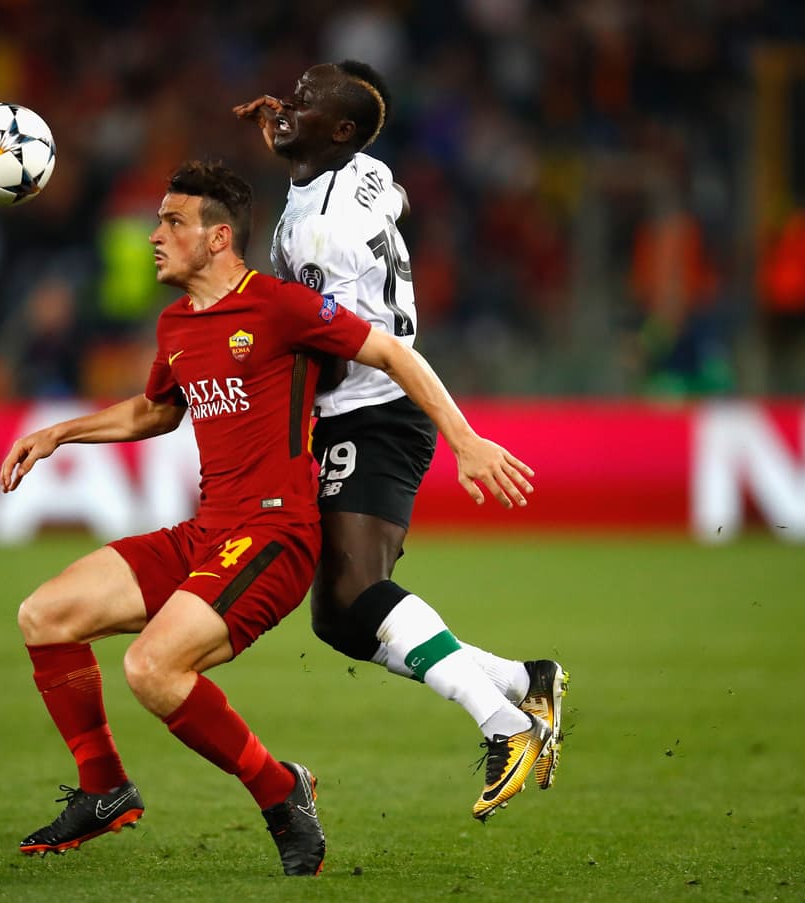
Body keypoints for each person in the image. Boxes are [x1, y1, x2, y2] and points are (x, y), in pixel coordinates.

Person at [0, 161, 542, 875]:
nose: (154, 235)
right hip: (206, 532)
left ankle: (282, 791)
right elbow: (157, 409)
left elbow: (389, 352)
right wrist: (60, 431)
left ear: (219, 237)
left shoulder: (280, 306)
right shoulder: (176, 323)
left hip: (274, 533)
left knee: (152, 668)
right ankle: (104, 787)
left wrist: (464, 439)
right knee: (45, 614)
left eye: (172, 222)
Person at [234, 61, 567, 820]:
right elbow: (388, 191)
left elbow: (361, 348)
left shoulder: (322, 230)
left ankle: (507, 723)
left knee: (355, 594)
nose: (288, 103)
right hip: (367, 410)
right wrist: (291, 142)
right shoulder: (366, 173)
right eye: (294, 92)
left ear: (342, 132)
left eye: (307, 102)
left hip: (375, 408)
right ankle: (524, 679)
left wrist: (464, 437)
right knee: (338, 618)